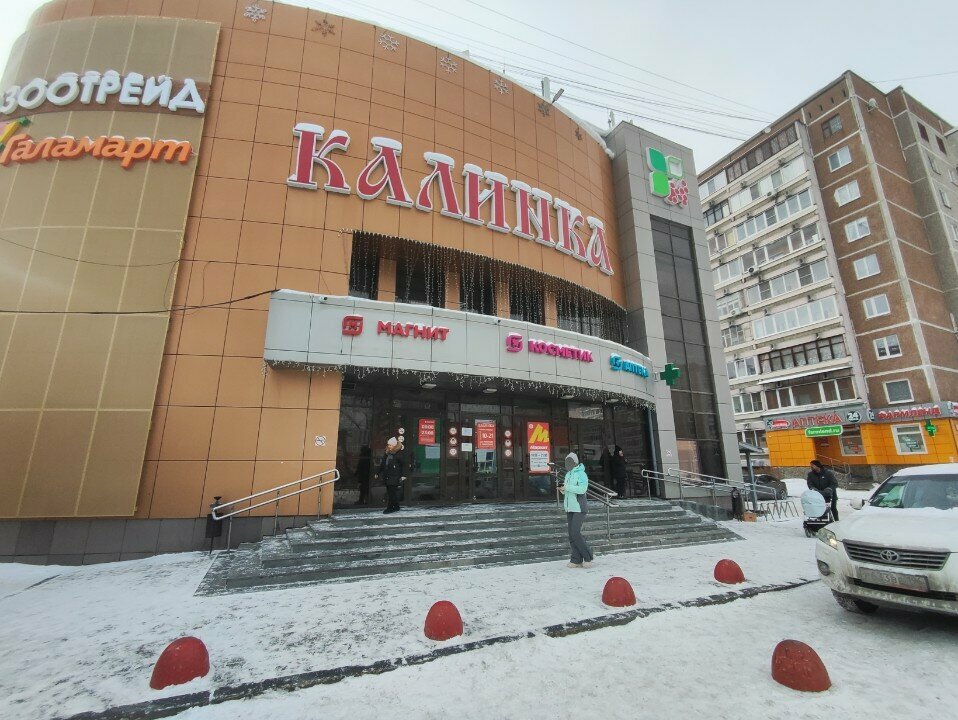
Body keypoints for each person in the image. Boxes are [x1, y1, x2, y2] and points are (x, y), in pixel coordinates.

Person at [560, 452, 593, 568]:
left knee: (575, 533)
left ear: (575, 462)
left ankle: (588, 557)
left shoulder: (581, 474)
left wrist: (567, 487)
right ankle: (576, 559)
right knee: (571, 534)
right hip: (570, 507)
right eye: (566, 461)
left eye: (570, 461)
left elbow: (582, 489)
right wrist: (563, 490)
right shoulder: (567, 475)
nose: (567, 464)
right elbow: (569, 491)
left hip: (579, 507)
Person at [375, 437, 405, 514]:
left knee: (391, 493)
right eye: (388, 445)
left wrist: (402, 475)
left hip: (395, 476)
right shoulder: (387, 453)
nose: (389, 446)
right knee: (391, 492)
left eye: (390, 445)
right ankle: (396, 506)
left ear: (394, 445)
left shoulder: (398, 454)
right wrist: (377, 473)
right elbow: (383, 464)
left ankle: (390, 508)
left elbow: (403, 466)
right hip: (388, 476)